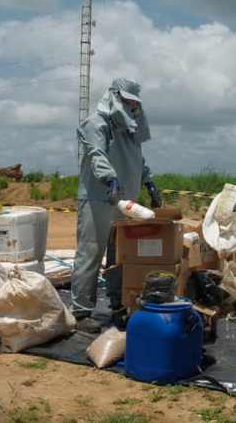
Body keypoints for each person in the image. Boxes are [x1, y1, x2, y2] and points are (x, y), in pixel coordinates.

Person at [71, 78, 162, 334]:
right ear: (114, 97)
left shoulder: (130, 130)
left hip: (126, 202)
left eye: (135, 103)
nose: (132, 106)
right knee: (91, 253)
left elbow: (137, 159)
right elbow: (96, 153)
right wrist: (109, 178)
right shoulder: (97, 123)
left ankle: (117, 306)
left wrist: (149, 182)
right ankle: (80, 312)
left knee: (119, 257)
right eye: (128, 101)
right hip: (99, 198)